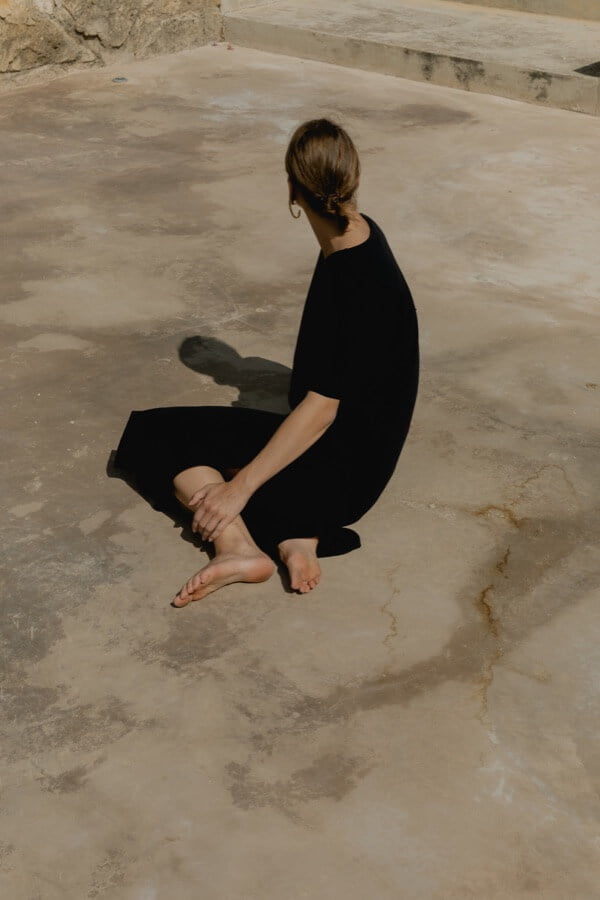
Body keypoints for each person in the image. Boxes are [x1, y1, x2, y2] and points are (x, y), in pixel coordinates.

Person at [113, 119, 419, 607]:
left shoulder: (353, 281)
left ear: (293, 189)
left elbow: (322, 409)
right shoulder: (361, 233)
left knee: (152, 437)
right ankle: (296, 537)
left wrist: (239, 487)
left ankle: (237, 548)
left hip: (341, 474)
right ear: (351, 179)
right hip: (366, 457)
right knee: (222, 457)